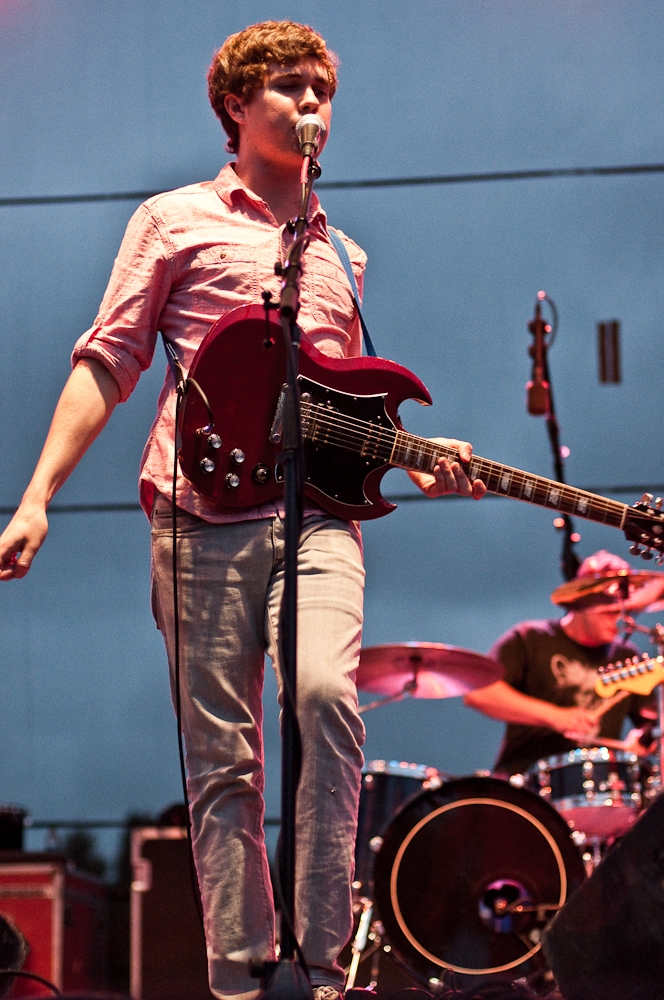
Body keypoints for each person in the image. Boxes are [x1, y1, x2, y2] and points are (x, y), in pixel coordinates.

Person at [0, 21, 485, 1000]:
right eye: (292, 89)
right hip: (197, 508)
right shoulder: (171, 220)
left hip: (316, 515)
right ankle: (239, 975)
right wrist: (37, 494)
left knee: (323, 699)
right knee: (222, 753)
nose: (313, 108)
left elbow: (342, 410)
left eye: (322, 93)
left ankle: (322, 961)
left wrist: (418, 460)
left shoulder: (342, 254)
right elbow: (110, 359)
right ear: (234, 104)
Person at [464, 550, 654, 776]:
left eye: (625, 611)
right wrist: (556, 716)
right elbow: (479, 693)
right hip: (527, 778)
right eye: (610, 612)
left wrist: (644, 738)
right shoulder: (530, 638)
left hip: (602, 784)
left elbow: (651, 721)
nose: (621, 620)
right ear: (583, 603)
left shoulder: (627, 656)